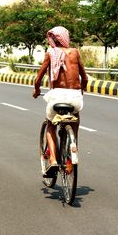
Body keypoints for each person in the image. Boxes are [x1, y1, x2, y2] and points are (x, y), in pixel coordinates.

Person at [32, 26, 88, 177]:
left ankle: (53, 160)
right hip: (75, 98)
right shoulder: (75, 52)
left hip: (56, 97)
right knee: (74, 123)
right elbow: (85, 78)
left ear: (53, 40)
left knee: (50, 124)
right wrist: (81, 89)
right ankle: (71, 153)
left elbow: (38, 78)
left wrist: (36, 90)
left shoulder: (51, 53)